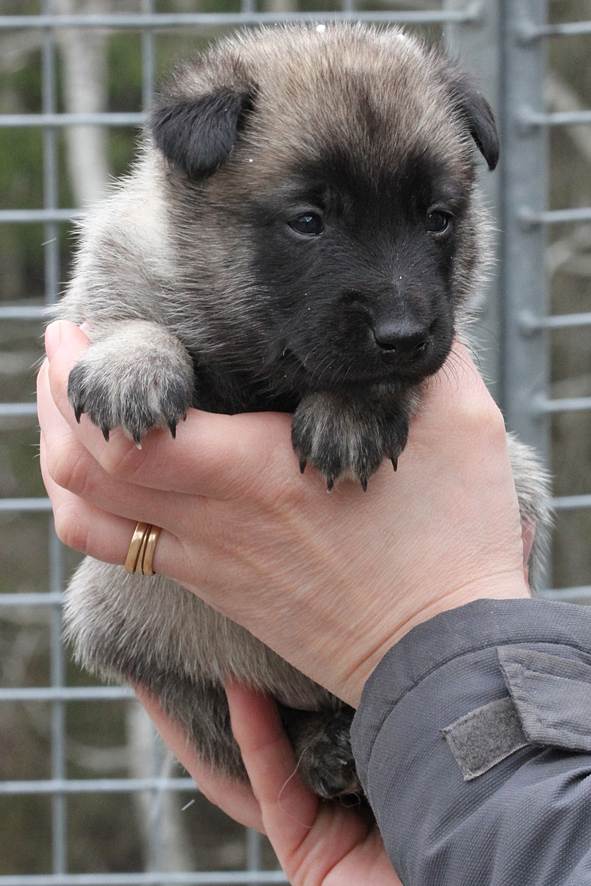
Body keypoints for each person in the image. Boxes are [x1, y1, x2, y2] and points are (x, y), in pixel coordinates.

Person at [38, 321, 591, 885]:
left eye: (438, 223)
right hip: (362, 779)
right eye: (306, 223)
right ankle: (311, 741)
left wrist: (428, 626)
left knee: (516, 488)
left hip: (425, 792)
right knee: (98, 610)